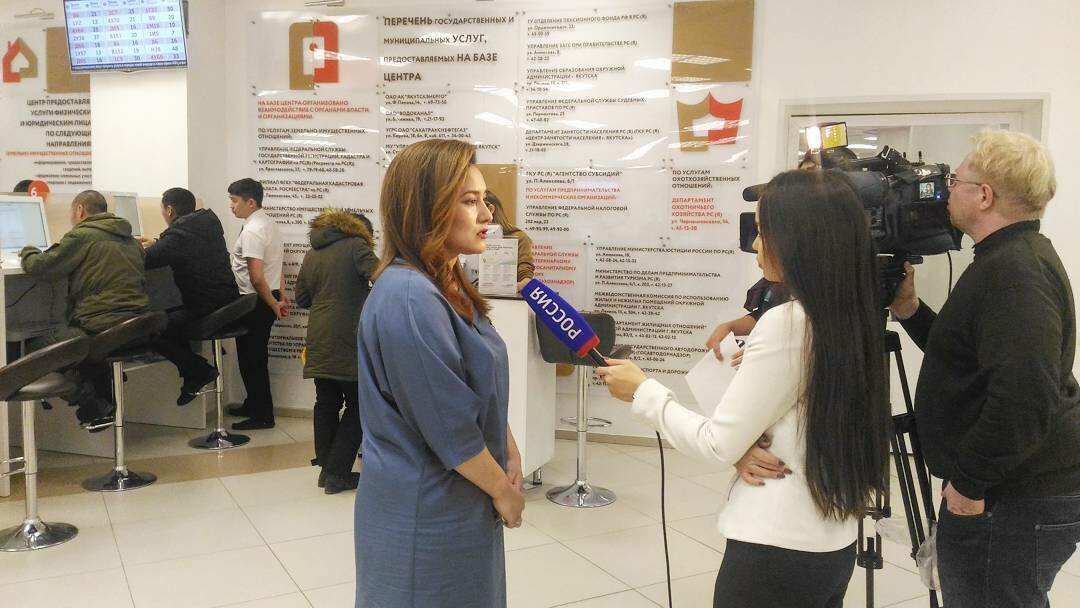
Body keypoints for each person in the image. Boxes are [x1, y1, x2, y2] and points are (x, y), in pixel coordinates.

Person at [598, 170, 891, 608]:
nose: (755, 245)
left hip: (774, 552)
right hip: (832, 544)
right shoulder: (852, 315)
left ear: (798, 240)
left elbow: (716, 443)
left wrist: (644, 392)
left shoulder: (788, 323)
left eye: (762, 232)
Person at [888, 130, 1080, 607]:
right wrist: (911, 311)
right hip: (1015, 484)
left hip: (1015, 493)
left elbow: (1024, 397)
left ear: (985, 196)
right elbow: (970, 361)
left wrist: (968, 484)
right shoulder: (1009, 259)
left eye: (955, 181)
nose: (947, 190)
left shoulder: (1015, 272)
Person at [354, 139, 524, 607]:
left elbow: (473, 383)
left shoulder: (447, 282)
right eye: (469, 201)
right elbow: (448, 425)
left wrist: (507, 446)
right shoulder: (410, 297)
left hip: (462, 495)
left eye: (485, 199)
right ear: (424, 209)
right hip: (425, 509)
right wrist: (504, 493)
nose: (487, 214)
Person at [20, 190, 150, 429]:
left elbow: (41, 267)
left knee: (31, 349)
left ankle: (91, 402)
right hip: (134, 323)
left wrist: (28, 250)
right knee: (80, 346)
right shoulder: (130, 238)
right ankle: (100, 398)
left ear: (80, 210)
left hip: (99, 324)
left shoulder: (82, 235)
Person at [294, 208, 376, 494]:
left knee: (326, 403)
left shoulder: (312, 253)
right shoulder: (357, 246)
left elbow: (302, 298)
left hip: (319, 336)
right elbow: (383, 278)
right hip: (348, 337)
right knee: (358, 406)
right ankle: (337, 473)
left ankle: (326, 470)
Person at [141, 187, 239, 405]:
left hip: (205, 305)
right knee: (169, 316)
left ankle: (199, 370)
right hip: (225, 300)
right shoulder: (204, 225)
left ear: (169, 210)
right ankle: (192, 374)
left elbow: (147, 260)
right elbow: (180, 246)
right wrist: (159, 242)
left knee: (153, 327)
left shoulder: (178, 237)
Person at [225, 178, 287, 430]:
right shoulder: (268, 224)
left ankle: (262, 415)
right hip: (266, 297)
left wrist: (273, 303)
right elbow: (277, 264)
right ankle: (254, 404)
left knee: (252, 359)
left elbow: (256, 276)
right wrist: (280, 295)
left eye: (234, 200)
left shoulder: (252, 230)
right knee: (253, 356)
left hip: (255, 300)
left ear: (250, 202)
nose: (231, 206)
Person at [483, 190, 534, 292]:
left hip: (506, 296)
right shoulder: (467, 236)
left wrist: (518, 286)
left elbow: (525, 275)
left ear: (491, 209)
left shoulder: (518, 237)